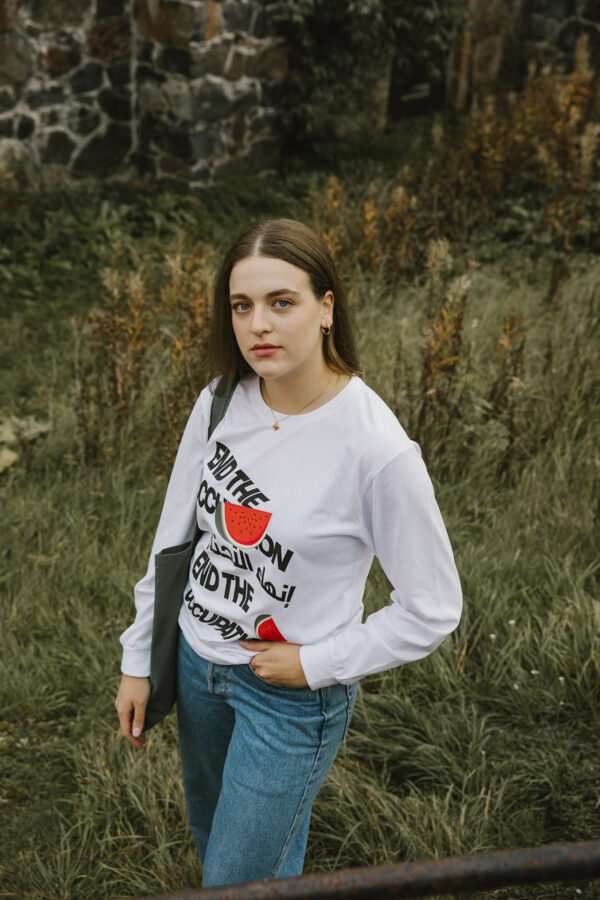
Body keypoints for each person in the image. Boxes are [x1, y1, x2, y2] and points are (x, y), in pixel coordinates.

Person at [115, 217, 462, 887]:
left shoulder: (375, 449)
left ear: (327, 307)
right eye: (242, 306)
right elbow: (174, 539)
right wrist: (139, 658)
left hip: (289, 696)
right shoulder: (220, 401)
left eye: (282, 302)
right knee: (223, 844)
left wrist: (319, 662)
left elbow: (432, 607)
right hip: (196, 664)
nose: (258, 326)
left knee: (237, 881)